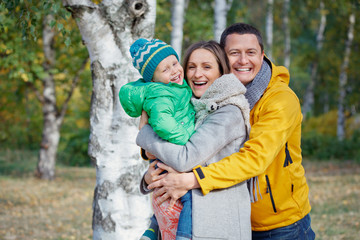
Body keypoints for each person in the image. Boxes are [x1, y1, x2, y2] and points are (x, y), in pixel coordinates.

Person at [142, 23, 316, 240]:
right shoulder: (207, 99)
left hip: (279, 223)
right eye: (234, 53)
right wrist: (152, 167)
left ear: (262, 56)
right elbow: (189, 143)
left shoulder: (280, 100)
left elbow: (253, 159)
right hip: (229, 216)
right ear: (223, 58)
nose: (243, 60)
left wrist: (193, 179)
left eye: (251, 53)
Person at [137, 40, 252, 240]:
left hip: (216, 226)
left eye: (207, 67)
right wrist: (149, 179)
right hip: (182, 225)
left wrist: (144, 133)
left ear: (221, 72)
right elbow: (168, 152)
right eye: (191, 67)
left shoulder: (229, 112)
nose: (197, 74)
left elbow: (185, 158)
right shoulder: (191, 107)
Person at [119, 38, 195, 240]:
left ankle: (151, 232)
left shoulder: (176, 87)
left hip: (165, 153)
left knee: (168, 200)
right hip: (171, 153)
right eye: (165, 69)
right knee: (187, 199)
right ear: (153, 79)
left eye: (175, 63)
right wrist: (187, 140)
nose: (174, 70)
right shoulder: (160, 94)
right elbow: (162, 123)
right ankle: (184, 236)